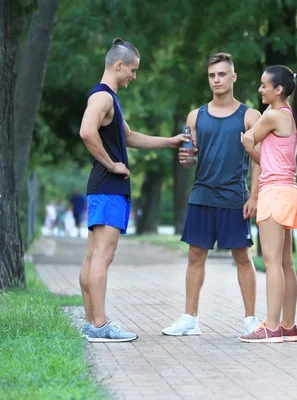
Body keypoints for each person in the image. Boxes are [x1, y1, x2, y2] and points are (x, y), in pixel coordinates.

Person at [79, 38, 187, 342]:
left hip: (103, 188)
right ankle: (100, 325)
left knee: (93, 257)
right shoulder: (102, 98)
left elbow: (129, 136)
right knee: (103, 255)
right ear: (118, 66)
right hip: (108, 186)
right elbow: (86, 132)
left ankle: (91, 323)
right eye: (133, 70)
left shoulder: (109, 99)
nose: (134, 76)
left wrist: (169, 141)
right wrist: (113, 165)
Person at [161, 53, 263, 337]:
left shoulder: (250, 116)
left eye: (221, 74)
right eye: (211, 75)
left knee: (243, 257)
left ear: (233, 77)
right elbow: (191, 156)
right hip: (202, 194)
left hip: (234, 196)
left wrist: (254, 197)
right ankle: (189, 318)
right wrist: (187, 159)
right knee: (195, 257)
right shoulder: (196, 116)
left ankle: (250, 320)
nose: (216, 80)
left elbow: (258, 159)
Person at [237, 65, 297, 343]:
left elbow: (248, 140)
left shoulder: (271, 116)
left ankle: (273, 327)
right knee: (286, 264)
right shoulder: (290, 116)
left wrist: (246, 141)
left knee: (272, 263)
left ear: (278, 90)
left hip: (273, 194)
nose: (260, 89)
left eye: (264, 85)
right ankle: (288, 326)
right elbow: (268, 158)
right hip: (289, 191)